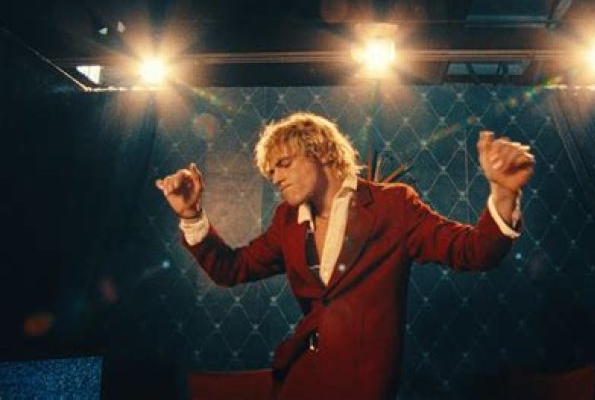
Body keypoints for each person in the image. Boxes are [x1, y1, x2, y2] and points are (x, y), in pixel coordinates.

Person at [156, 112, 534, 399]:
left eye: (284, 163)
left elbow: (475, 251)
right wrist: (191, 214)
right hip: (300, 377)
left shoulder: (392, 206)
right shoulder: (287, 220)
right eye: (271, 172)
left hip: (362, 383)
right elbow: (231, 269)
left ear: (321, 151)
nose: (276, 177)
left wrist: (504, 193)